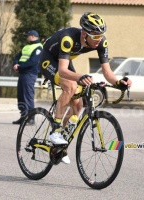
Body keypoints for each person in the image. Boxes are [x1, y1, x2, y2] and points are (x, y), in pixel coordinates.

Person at [38, 12, 132, 164]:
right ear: (84, 33)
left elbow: (107, 72)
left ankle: (61, 143)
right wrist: (80, 77)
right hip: (48, 60)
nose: (98, 40)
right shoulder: (68, 39)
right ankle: (55, 131)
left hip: (65, 59)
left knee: (78, 104)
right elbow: (62, 71)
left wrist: (118, 83)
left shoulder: (101, 42)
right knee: (71, 85)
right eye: (95, 36)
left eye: (100, 36)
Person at [12, 30, 43, 125]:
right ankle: (23, 116)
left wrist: (19, 66)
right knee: (21, 96)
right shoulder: (26, 47)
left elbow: (33, 62)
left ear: (33, 36)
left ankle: (31, 118)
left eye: (27, 36)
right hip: (22, 73)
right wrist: (15, 63)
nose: (26, 37)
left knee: (28, 96)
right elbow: (17, 56)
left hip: (29, 74)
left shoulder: (39, 47)